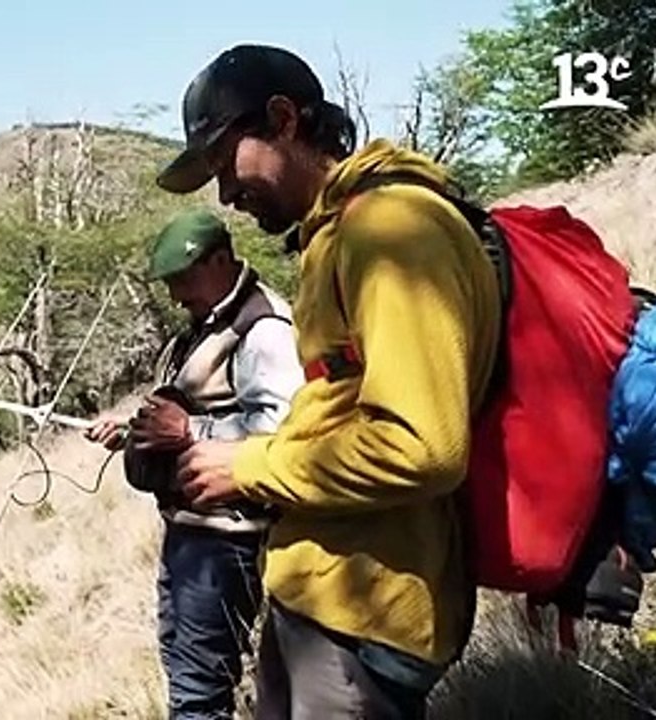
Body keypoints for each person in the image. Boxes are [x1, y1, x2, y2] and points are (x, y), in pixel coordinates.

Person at [158, 44, 503, 718]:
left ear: (284, 119)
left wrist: (249, 465)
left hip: (365, 621)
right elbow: (339, 412)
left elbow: (420, 447)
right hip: (324, 598)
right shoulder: (339, 234)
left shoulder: (393, 230)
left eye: (227, 163)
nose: (226, 194)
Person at [86, 208, 303, 720]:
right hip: (191, 532)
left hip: (226, 539)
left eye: (184, 278)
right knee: (189, 675)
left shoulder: (263, 329)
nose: (176, 294)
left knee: (198, 694)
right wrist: (133, 435)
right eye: (169, 283)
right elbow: (199, 407)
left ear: (222, 260)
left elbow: (284, 434)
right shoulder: (209, 322)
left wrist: (187, 434)